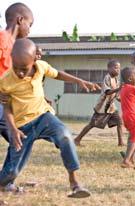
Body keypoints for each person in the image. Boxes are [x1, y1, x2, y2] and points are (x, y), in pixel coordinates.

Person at [0, 38, 100, 197]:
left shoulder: (41, 67)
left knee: (65, 136)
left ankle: (75, 183)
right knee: (9, 174)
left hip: (43, 117)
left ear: (34, 60)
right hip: (21, 128)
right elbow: (7, 108)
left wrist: (79, 81)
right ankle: (5, 184)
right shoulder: (5, 81)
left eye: (24, 69)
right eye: (16, 67)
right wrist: (12, 129)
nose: (19, 73)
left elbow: (58, 74)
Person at [0, 3, 34, 143]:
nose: (29, 31)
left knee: (20, 140)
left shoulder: (16, 48)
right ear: (20, 20)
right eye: (29, 25)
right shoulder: (2, 40)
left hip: (6, 103)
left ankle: (11, 166)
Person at [74, 59, 124, 146]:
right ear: (109, 68)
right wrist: (118, 88)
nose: (118, 70)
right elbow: (107, 92)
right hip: (103, 106)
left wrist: (123, 100)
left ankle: (121, 142)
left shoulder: (116, 80)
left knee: (120, 122)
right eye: (116, 68)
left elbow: (116, 95)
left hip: (111, 107)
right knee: (92, 124)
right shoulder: (107, 78)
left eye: (119, 68)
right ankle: (77, 139)